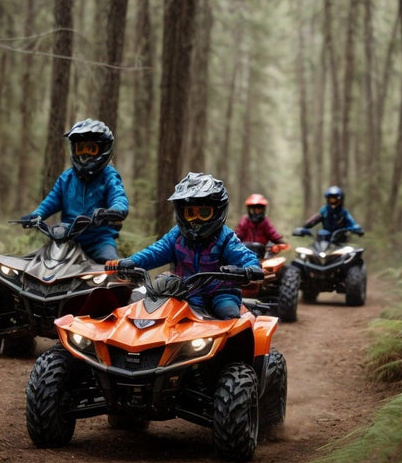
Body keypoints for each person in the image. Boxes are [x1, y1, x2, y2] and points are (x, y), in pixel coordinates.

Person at [104, 172, 262, 320]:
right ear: (182, 213)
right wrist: (132, 262)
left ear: (217, 212)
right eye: (191, 213)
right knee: (150, 311)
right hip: (184, 292)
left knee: (229, 315)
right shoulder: (176, 236)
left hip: (220, 294)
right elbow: (155, 252)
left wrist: (249, 269)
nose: (196, 219)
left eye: (204, 212)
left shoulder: (226, 237)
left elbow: (244, 255)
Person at [22, 118, 128, 262]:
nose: (84, 155)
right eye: (80, 148)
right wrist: (35, 215)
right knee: (38, 265)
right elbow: (51, 200)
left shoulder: (109, 176)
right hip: (66, 239)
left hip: (99, 242)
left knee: (111, 268)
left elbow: (119, 197)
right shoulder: (66, 178)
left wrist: (115, 210)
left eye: (90, 149)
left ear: (103, 149)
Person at [295, 185, 364, 242]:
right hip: (324, 242)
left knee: (352, 255)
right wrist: (303, 229)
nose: (333, 202)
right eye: (331, 199)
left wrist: (356, 229)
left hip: (341, 243)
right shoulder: (324, 211)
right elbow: (312, 221)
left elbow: (352, 223)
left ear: (340, 200)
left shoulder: (343, 213)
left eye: (335, 200)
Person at [235, 193, 288, 258]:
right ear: (249, 210)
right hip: (244, 255)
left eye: (258, 209)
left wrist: (282, 244)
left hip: (261, 256)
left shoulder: (265, 222)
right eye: (252, 210)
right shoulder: (245, 221)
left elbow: (274, 235)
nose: (255, 212)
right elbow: (237, 236)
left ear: (263, 210)